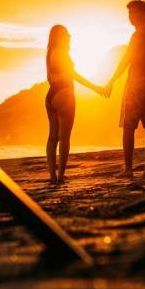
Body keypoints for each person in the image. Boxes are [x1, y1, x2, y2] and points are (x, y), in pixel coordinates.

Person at [105, 0, 145, 179]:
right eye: (129, 13)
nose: (130, 16)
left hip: (136, 84)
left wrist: (111, 81)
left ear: (143, 14)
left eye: (133, 13)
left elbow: (126, 60)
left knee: (128, 127)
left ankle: (128, 169)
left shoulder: (138, 35)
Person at [45, 25, 107, 185]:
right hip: (64, 93)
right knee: (64, 138)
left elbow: (50, 79)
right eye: (66, 34)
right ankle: (61, 177)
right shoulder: (62, 52)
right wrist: (96, 88)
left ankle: (52, 176)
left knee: (52, 138)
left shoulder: (49, 53)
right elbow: (74, 75)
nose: (69, 36)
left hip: (51, 95)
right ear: (62, 37)